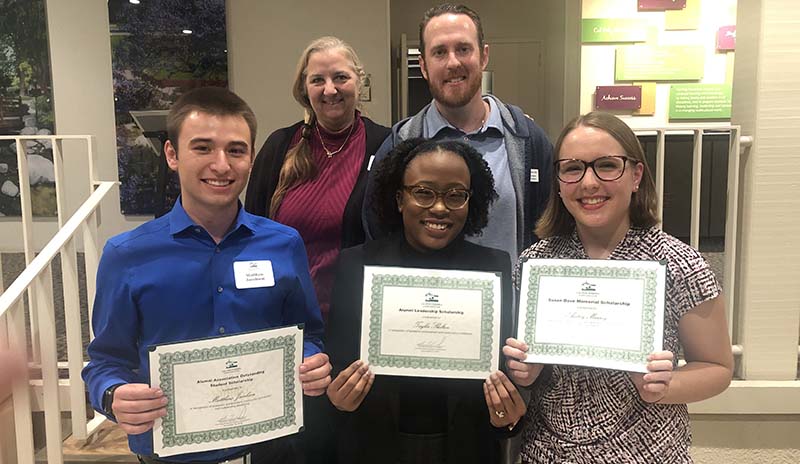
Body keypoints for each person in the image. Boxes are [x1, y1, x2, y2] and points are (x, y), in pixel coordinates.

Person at [82, 87, 331, 464]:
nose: (221, 165)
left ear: (251, 158)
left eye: (236, 150)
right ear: (172, 155)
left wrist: (314, 361)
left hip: (268, 451)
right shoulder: (126, 255)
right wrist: (113, 395)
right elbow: (104, 361)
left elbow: (307, 334)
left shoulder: (283, 244)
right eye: (202, 148)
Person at [503, 112, 734, 463]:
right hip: (548, 453)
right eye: (572, 168)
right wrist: (528, 373)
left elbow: (718, 368)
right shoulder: (535, 265)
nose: (589, 182)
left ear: (636, 175)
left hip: (647, 453)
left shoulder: (679, 263)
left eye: (607, 166)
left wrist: (666, 386)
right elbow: (527, 374)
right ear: (559, 182)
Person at [325, 138, 526, 464]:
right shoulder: (357, 265)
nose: (440, 207)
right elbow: (338, 370)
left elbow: (499, 383)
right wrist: (336, 401)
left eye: (456, 195)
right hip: (375, 447)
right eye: (424, 192)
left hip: (466, 448)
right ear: (399, 198)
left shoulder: (492, 268)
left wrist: (507, 419)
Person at [363, 3, 553, 265]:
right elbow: (378, 230)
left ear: (483, 56)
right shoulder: (400, 144)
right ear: (424, 65)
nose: (453, 62)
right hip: (423, 302)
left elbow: (551, 228)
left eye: (463, 49)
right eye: (439, 52)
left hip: (508, 301)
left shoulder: (528, 141)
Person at [245, 36, 390, 319]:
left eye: (340, 77)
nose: (330, 89)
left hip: (357, 319)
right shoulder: (279, 146)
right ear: (304, 88)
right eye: (317, 80)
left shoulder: (385, 145)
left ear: (359, 82)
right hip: (284, 314)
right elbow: (251, 233)